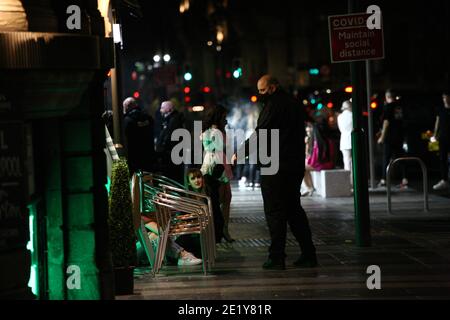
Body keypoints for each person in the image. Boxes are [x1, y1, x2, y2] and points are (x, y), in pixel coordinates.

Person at [232, 75, 317, 270]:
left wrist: (240, 154)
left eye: (262, 90)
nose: (260, 94)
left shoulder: (273, 106)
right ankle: (309, 253)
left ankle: (277, 257)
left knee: (275, 212)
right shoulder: (294, 104)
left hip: (275, 167)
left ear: (272, 87)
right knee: (294, 210)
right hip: (294, 165)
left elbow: (261, 134)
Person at [201, 105, 234, 242]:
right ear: (219, 117)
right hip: (216, 163)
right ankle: (220, 230)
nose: (226, 120)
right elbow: (217, 148)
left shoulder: (212, 131)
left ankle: (222, 229)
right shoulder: (216, 132)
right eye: (224, 117)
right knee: (222, 198)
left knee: (224, 198)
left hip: (215, 161)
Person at [377, 89, 408, 188]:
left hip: (389, 137)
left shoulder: (388, 107)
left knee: (386, 158)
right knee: (400, 158)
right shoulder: (399, 107)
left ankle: (383, 180)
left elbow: (386, 122)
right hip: (399, 136)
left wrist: (382, 136)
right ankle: (404, 179)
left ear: (387, 96)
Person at [186, 167, 225, 243]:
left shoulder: (209, 193)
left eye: (198, 177)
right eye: (193, 178)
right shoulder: (187, 197)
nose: (196, 180)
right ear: (188, 182)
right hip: (195, 229)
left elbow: (217, 215)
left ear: (202, 179)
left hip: (210, 228)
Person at [302, 121, 336, 196]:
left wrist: (309, 163)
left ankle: (310, 188)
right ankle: (310, 188)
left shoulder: (317, 143)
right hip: (329, 163)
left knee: (301, 168)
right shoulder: (329, 141)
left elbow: (315, 159)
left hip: (321, 165)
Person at [123, 97, 155, 175]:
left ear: (127, 107)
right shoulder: (148, 117)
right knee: (148, 178)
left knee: (136, 179)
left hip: (134, 156)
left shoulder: (127, 120)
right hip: (148, 153)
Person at [155, 100, 185, 184]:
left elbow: (169, 138)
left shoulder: (173, 121)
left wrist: (161, 150)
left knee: (173, 178)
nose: (160, 110)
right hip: (172, 155)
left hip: (171, 156)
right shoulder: (171, 119)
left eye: (162, 108)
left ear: (168, 109)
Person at [432, 92, 450, 190]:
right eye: (443, 97)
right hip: (443, 137)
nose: (445, 99)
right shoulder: (440, 109)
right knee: (442, 158)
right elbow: (437, 122)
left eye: (446, 97)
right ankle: (444, 180)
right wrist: (435, 135)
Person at [337, 100, 353, 184]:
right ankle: (354, 181)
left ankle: (348, 183)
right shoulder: (353, 115)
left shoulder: (339, 117)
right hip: (352, 139)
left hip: (344, 140)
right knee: (354, 162)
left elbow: (340, 129)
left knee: (346, 162)